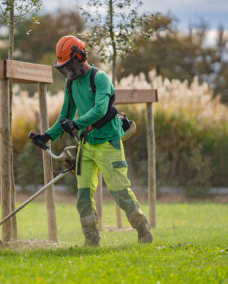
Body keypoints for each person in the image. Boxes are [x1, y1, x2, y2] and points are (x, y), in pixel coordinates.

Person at [30, 35, 153, 246]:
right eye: (64, 68)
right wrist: (47, 135)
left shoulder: (100, 78)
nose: (68, 71)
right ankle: (91, 239)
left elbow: (100, 109)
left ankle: (143, 229)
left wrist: (76, 124)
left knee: (120, 193)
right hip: (87, 145)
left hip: (109, 142)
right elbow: (65, 115)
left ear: (81, 57)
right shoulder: (71, 84)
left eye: (70, 65)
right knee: (83, 195)